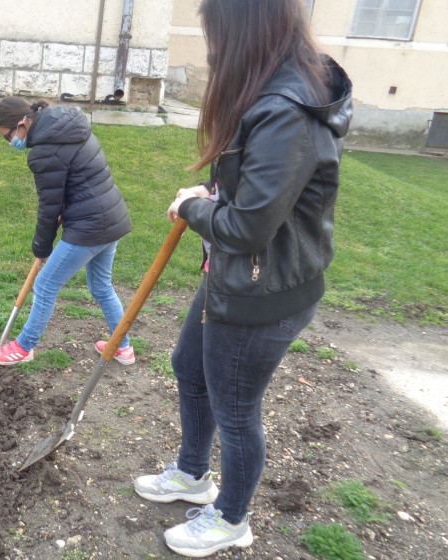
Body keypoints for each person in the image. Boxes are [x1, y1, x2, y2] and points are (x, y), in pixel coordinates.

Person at [133, 0, 353, 557]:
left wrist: (193, 209)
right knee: (189, 365)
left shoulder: (285, 109)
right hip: (235, 275)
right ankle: (191, 473)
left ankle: (231, 518)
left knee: (235, 410)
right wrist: (216, 198)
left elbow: (250, 227)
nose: (212, 50)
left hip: (264, 291)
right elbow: (258, 195)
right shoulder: (273, 89)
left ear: (246, 31)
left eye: (217, 36)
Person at [0, 97, 134, 366]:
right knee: (101, 286)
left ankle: (24, 347)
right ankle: (121, 346)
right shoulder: (70, 127)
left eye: (8, 137)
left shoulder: (45, 153)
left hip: (89, 227)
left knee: (44, 285)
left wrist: (41, 248)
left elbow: (49, 208)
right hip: (111, 217)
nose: (10, 143)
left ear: (21, 124)